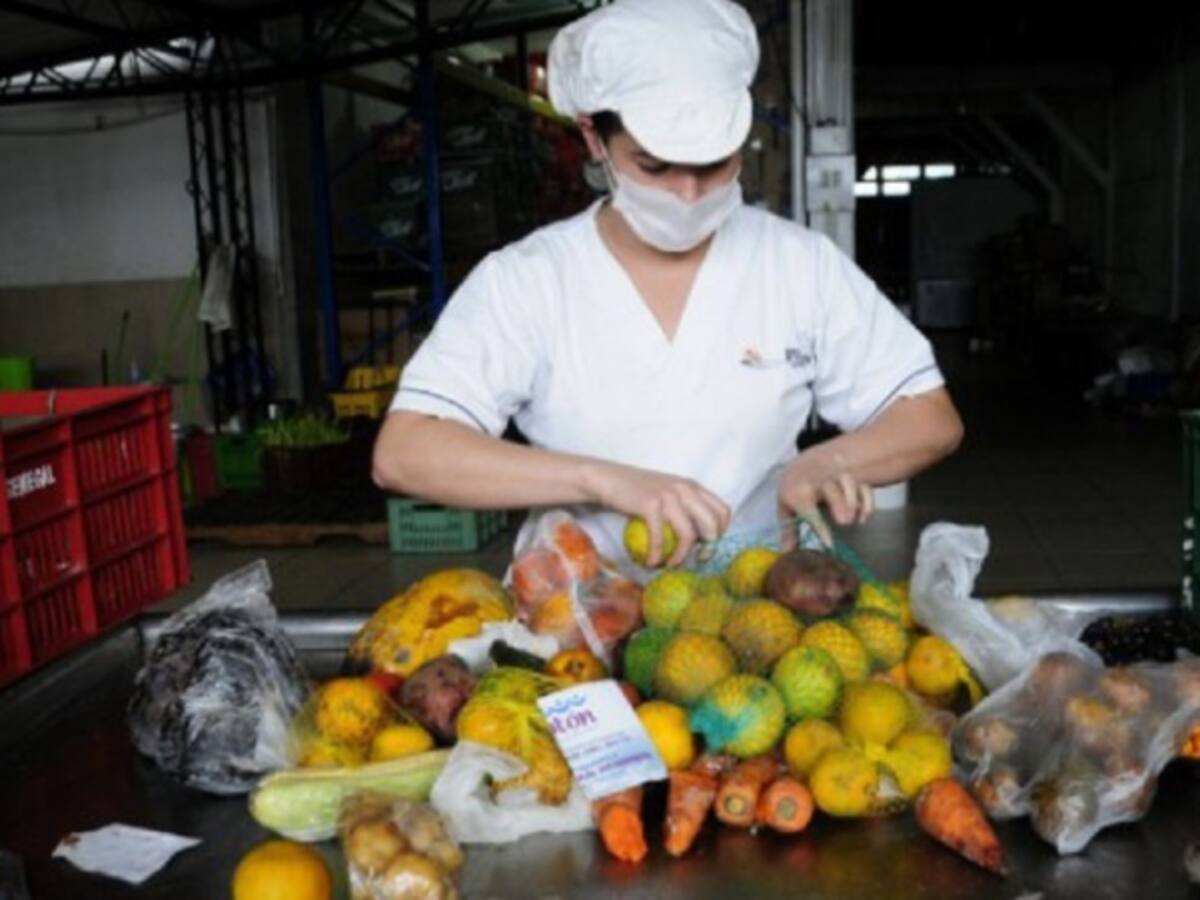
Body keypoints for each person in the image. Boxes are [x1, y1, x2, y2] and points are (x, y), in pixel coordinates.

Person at [373, 0, 963, 570]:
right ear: (593, 138)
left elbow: (929, 416)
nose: (687, 194)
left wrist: (830, 459)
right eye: (653, 166)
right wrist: (599, 479)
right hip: (577, 615)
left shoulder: (798, 265)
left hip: (756, 621)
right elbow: (406, 453)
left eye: (714, 164)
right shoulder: (529, 280)